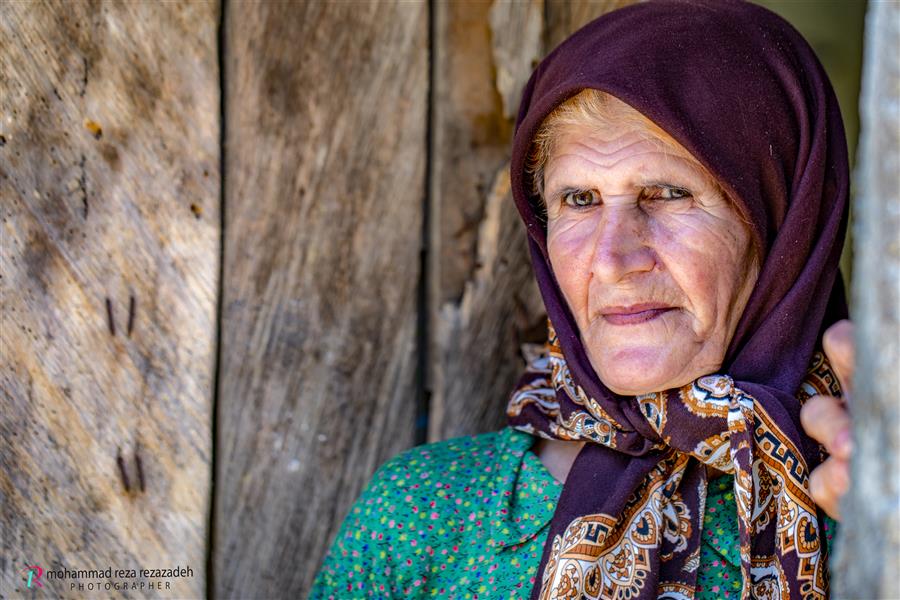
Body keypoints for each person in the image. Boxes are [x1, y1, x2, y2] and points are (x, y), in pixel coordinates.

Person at [310, 1, 854, 598]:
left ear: (785, 223)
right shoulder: (423, 517)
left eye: (668, 192)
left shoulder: (865, 503)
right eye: (579, 200)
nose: (612, 260)